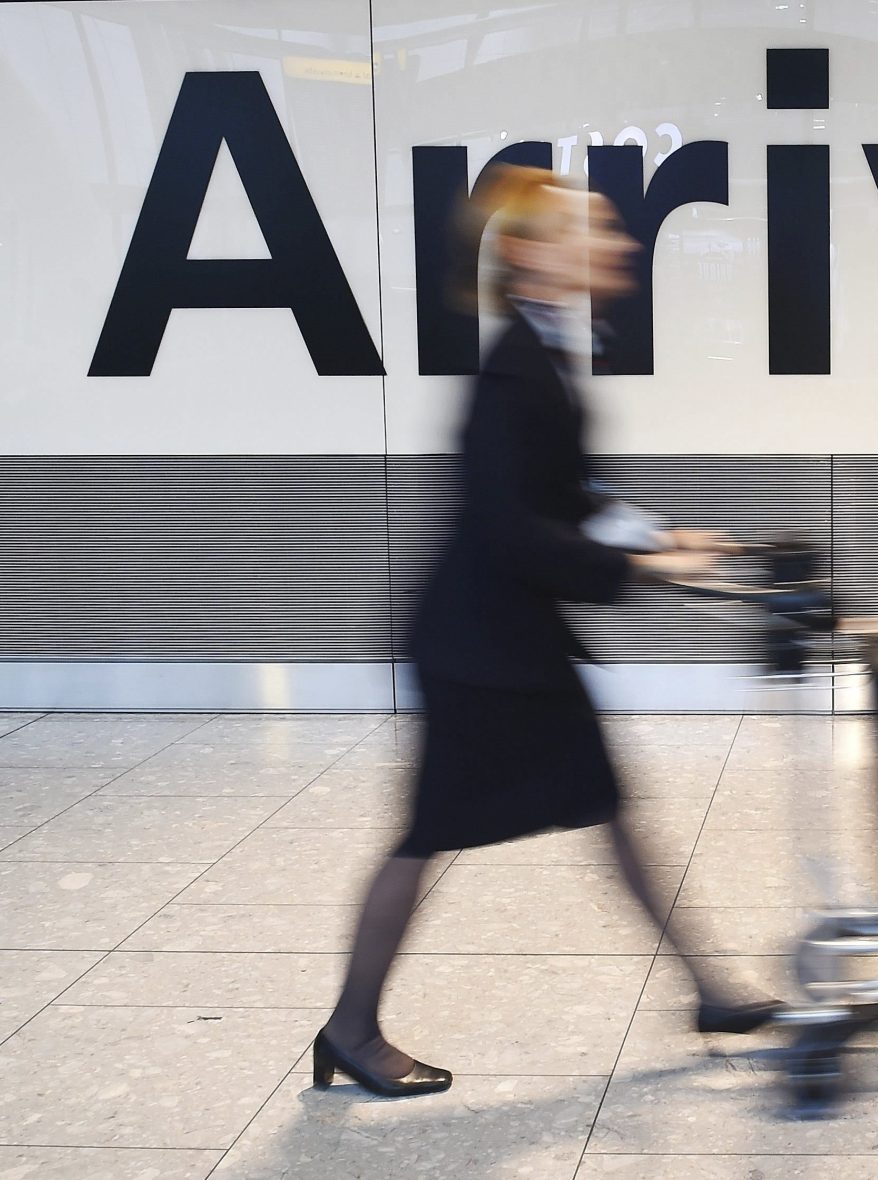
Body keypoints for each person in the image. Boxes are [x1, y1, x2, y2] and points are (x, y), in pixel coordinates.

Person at [313, 166, 777, 1098]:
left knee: (606, 806)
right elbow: (509, 531)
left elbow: (563, 497)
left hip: (510, 643)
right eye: (594, 231)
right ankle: (351, 1030)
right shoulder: (513, 369)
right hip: (480, 653)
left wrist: (663, 535)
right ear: (530, 256)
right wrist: (643, 568)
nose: (620, 244)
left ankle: (711, 989)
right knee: (426, 835)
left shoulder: (552, 348)